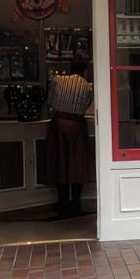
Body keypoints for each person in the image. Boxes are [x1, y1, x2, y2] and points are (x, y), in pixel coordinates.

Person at [45, 60, 94, 218]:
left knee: (60, 164)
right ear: (85, 72)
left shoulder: (58, 80)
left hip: (59, 124)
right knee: (77, 165)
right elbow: (86, 105)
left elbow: (50, 101)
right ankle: (76, 203)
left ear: (69, 69)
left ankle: (63, 202)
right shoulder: (88, 87)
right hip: (78, 126)